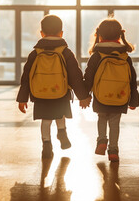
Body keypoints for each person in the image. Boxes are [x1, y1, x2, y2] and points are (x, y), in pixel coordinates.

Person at [17, 15, 91, 159]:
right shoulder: (66, 52)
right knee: (60, 114)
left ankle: (46, 144)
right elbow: (75, 76)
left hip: (40, 94)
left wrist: (22, 98)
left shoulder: (35, 53)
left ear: (42, 33)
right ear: (61, 33)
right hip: (61, 92)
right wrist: (83, 96)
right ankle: (62, 131)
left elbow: (26, 77)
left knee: (46, 120)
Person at [84, 18, 139, 162]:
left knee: (102, 117)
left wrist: (85, 95)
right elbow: (132, 80)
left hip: (101, 95)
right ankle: (113, 150)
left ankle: (102, 140)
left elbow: (89, 76)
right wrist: (134, 99)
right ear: (119, 36)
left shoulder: (96, 55)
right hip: (120, 96)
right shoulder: (125, 56)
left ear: (99, 35)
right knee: (115, 123)